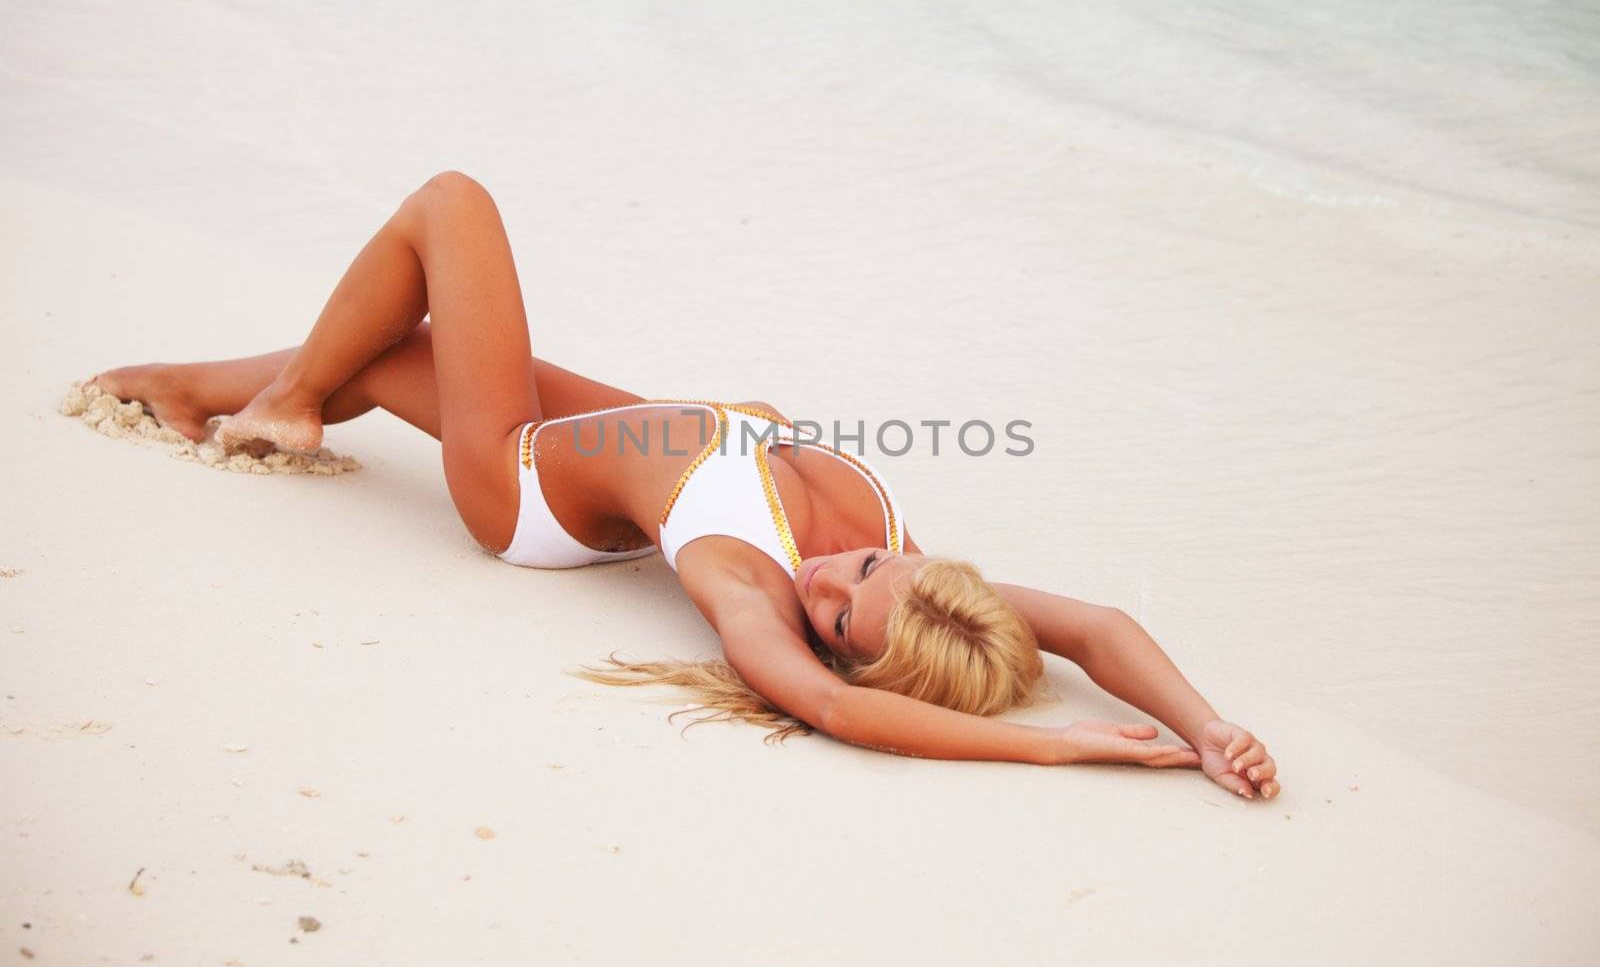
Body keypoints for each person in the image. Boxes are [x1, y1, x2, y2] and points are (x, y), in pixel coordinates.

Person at [89, 170, 1280, 801]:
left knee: (450, 207)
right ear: (919, 564)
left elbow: (838, 709)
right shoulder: (920, 577)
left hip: (530, 490)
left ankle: (280, 402)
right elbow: (1099, 624)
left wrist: (1069, 750)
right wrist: (1207, 724)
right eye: (866, 569)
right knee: (395, 351)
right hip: (641, 435)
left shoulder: (751, 590)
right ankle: (203, 391)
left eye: (836, 620)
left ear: (835, 643)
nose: (830, 577)